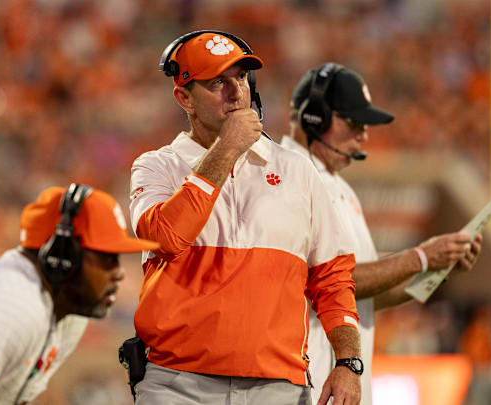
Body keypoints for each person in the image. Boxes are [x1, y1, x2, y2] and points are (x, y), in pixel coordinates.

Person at [128, 31, 362, 404]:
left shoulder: (297, 171)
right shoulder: (156, 167)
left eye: (240, 77)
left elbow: (332, 278)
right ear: (183, 97)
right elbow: (166, 237)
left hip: (278, 386)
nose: (236, 92)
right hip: (177, 384)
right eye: (217, 82)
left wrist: (349, 363)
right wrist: (228, 148)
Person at [282, 63, 484, 405]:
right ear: (314, 117)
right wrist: (420, 257)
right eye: (354, 123)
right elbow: (331, 280)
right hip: (308, 380)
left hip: (340, 382)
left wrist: (440, 269)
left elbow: (368, 294)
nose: (363, 135)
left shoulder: (340, 187)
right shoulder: (285, 176)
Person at [0, 184, 159, 405]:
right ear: (62, 256)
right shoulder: (9, 306)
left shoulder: (66, 311)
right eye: (106, 258)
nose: (119, 273)